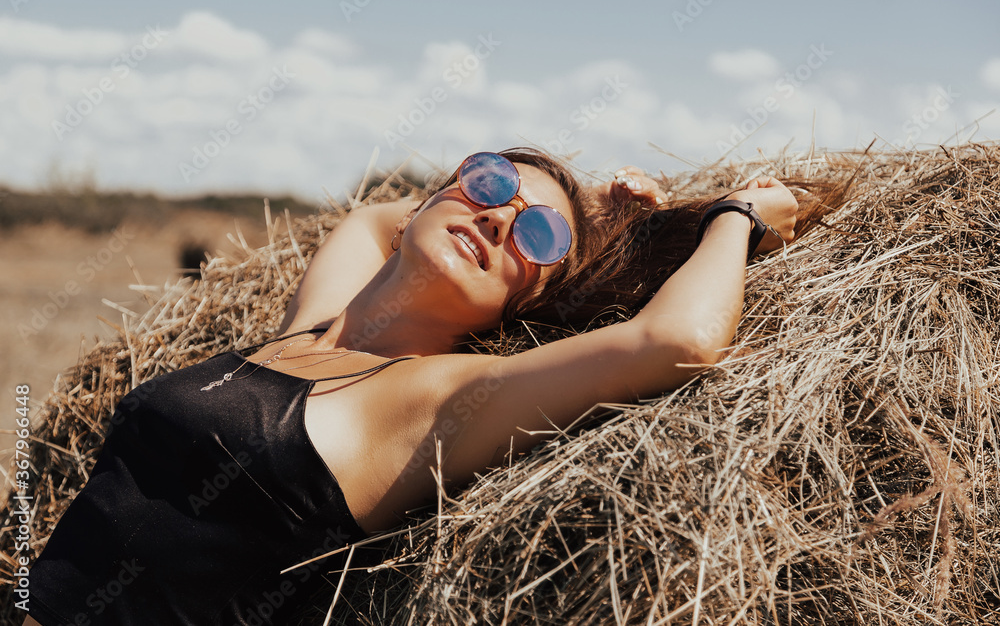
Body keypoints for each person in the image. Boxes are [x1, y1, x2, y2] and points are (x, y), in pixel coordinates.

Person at [24, 147, 800, 625]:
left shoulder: (433, 398)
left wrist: (735, 215)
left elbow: (675, 341)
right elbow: (369, 220)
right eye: (489, 184)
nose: (500, 220)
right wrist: (585, 208)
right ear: (430, 196)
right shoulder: (313, 325)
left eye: (535, 237)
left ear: (526, 302)